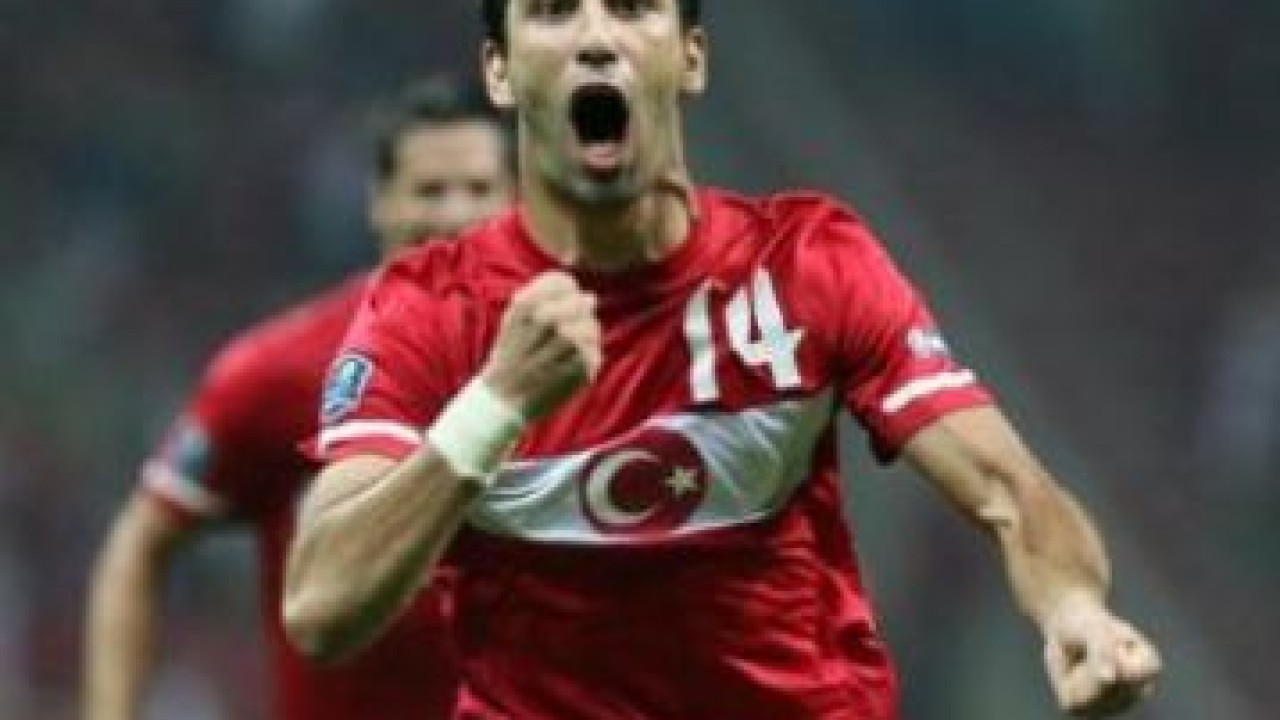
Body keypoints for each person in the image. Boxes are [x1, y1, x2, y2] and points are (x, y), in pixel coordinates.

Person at [284, 2, 1162, 718]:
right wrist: (495, 405)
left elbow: (1009, 489)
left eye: (633, 8)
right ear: (501, 72)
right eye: (552, 12)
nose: (597, 38)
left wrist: (1075, 609)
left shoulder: (808, 264)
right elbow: (322, 608)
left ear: (692, 58)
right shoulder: (429, 310)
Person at [83, 76, 514, 720]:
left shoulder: (570, 357)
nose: (454, 214)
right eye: (430, 190)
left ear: (517, 201)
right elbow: (141, 540)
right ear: (379, 202)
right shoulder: (283, 371)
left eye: (477, 189)